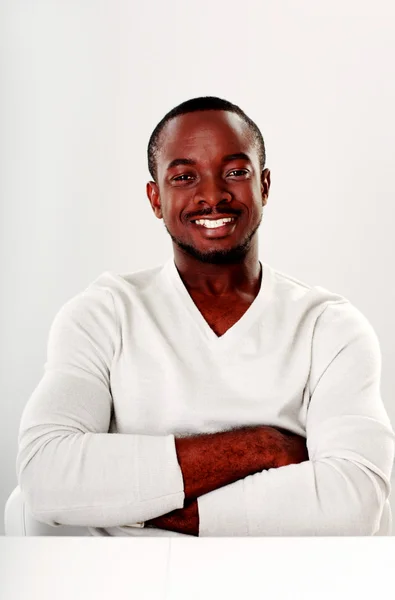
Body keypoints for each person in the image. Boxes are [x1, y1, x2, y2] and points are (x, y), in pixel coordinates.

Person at [17, 96, 394, 537]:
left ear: (265, 186)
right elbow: (45, 473)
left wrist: (129, 505)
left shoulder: (328, 327)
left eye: (236, 172)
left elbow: (354, 501)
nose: (212, 195)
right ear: (156, 197)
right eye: (184, 177)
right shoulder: (104, 314)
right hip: (130, 582)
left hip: (284, 581)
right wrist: (261, 445)